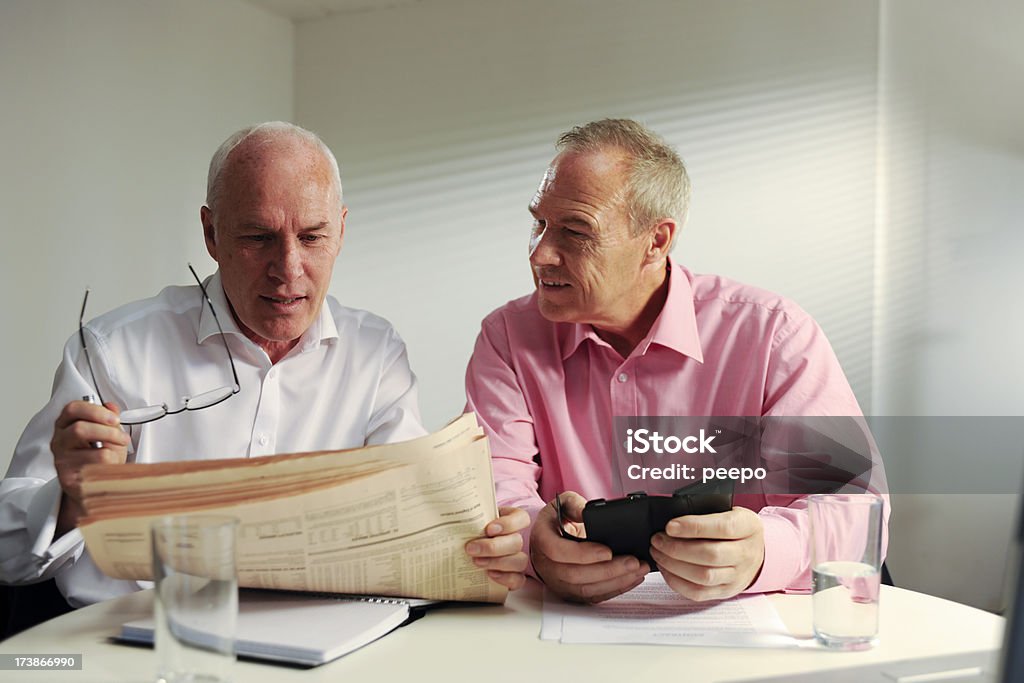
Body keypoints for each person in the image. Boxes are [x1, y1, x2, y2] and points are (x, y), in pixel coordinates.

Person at [0, 122, 527, 608]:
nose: (288, 270)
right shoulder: (113, 349)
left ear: (340, 232)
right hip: (136, 639)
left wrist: (481, 546)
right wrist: (71, 498)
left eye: (313, 237)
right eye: (258, 237)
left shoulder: (374, 351)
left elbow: (407, 523)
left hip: (319, 636)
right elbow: (7, 556)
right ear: (211, 235)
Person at [464, 118, 887, 604]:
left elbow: (855, 511)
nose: (540, 254)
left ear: (657, 240)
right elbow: (488, 488)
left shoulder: (773, 333)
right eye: (539, 223)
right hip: (570, 638)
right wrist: (532, 546)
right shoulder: (507, 337)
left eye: (575, 230)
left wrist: (764, 553)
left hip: (752, 634)